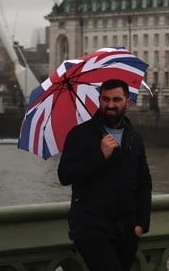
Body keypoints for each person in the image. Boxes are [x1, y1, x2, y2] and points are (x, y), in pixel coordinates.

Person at [58, 78, 153, 271]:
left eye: (117, 100)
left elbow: (144, 183)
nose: (110, 105)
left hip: (126, 229)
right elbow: (65, 175)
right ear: (99, 100)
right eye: (105, 99)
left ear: (128, 101)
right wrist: (100, 155)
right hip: (91, 226)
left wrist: (141, 224)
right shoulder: (80, 135)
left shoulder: (134, 137)